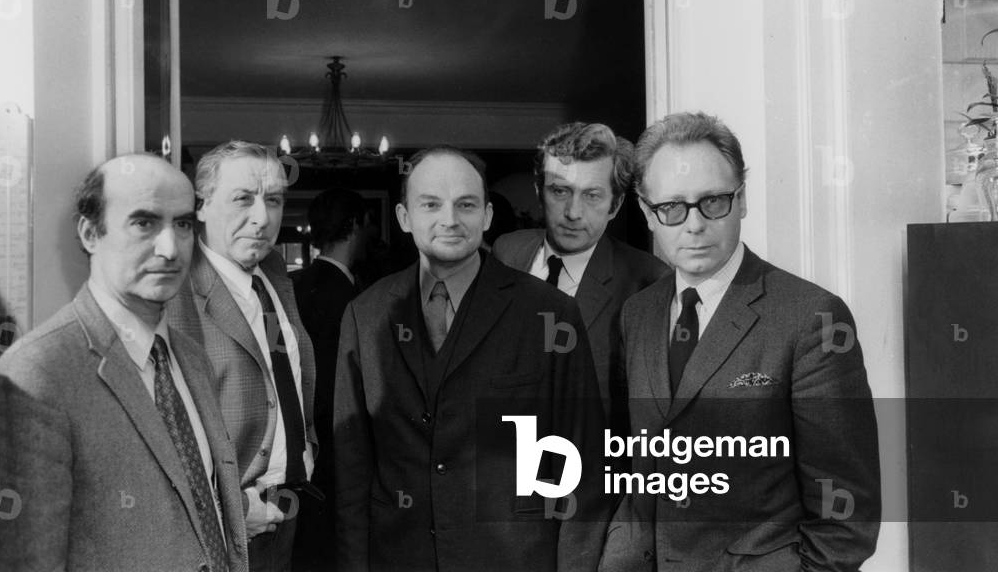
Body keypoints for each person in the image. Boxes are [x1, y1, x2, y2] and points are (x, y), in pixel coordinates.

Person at [600, 112, 880, 571]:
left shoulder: (812, 318)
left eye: (712, 201)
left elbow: (846, 515)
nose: (693, 225)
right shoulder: (638, 313)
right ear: (648, 214)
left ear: (742, 199)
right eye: (671, 207)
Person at [334, 145, 607, 572]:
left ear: (487, 216)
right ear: (404, 217)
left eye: (465, 204)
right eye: (431, 204)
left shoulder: (550, 313)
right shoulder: (365, 314)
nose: (450, 219)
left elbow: (582, 463)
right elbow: (351, 467)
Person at [0, 154, 248, 571]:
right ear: (90, 234)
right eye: (144, 223)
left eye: (182, 225)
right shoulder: (33, 378)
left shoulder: (192, 359)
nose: (170, 248)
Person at [166, 141, 318, 572]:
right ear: (200, 206)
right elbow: (161, 430)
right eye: (243, 199)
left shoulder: (273, 273)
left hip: (286, 508)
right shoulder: (173, 293)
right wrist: (230, 508)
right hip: (225, 525)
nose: (262, 217)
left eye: (274, 200)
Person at [492, 122, 667, 415]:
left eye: (592, 195)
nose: (573, 213)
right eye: (560, 191)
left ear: (615, 205)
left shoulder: (649, 280)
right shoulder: (506, 251)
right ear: (539, 192)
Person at [290, 187, 370, 571]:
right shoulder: (358, 299)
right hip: (342, 451)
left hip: (300, 454)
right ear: (355, 225)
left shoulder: (290, 287)